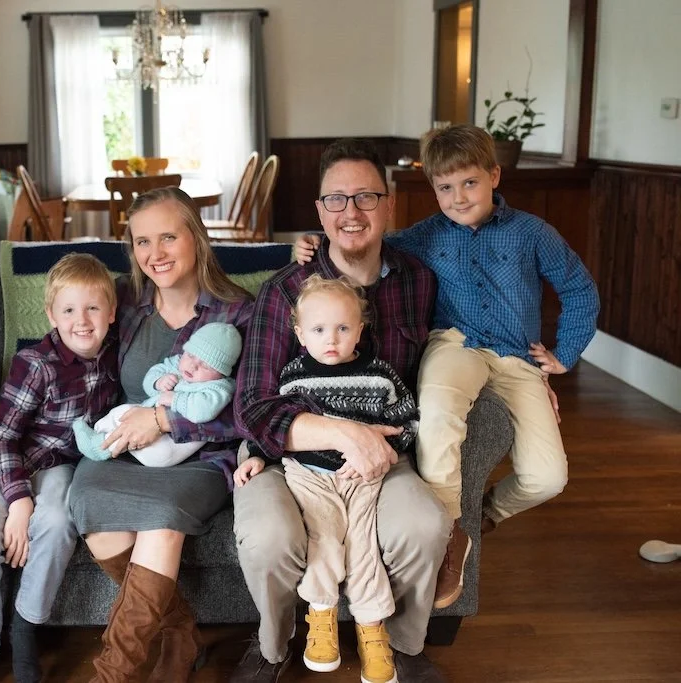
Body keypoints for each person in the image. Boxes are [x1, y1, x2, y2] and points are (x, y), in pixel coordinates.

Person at [295, 124, 599, 610]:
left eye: (470, 183)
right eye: (444, 187)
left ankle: (483, 515)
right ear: (432, 189)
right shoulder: (421, 238)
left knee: (549, 478)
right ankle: (451, 532)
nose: (458, 198)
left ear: (494, 175)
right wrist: (309, 244)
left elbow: (579, 289)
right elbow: (359, 240)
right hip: (456, 344)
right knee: (437, 414)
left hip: (518, 358)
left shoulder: (532, 233)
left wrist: (564, 354)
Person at [233, 138, 449, 683]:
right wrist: (341, 432)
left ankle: (403, 644)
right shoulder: (284, 291)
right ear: (319, 212)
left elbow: (460, 349)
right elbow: (252, 406)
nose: (350, 212)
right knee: (270, 536)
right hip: (289, 457)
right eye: (336, 199)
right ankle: (274, 647)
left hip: (383, 452)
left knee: (424, 524)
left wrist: (529, 371)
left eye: (365, 197)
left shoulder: (418, 280)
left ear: (390, 204)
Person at [67, 187, 253, 682]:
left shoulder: (238, 312)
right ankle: (180, 632)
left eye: (168, 236)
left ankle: (112, 673)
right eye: (142, 242)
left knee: (162, 520)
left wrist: (168, 420)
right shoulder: (124, 303)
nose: (155, 254)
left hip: (200, 456)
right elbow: (61, 346)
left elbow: (252, 408)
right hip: (124, 444)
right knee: (92, 511)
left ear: (196, 236)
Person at [235, 274, 417, 682]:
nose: (331, 339)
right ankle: (321, 614)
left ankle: (372, 628)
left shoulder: (380, 376)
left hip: (363, 475)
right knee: (325, 536)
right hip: (309, 473)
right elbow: (277, 426)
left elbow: (407, 421)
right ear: (300, 334)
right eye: (318, 329)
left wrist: (392, 446)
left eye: (343, 328)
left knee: (363, 544)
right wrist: (260, 458)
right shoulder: (294, 377)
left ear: (360, 330)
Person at [0, 253, 120, 683]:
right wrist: (19, 501)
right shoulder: (36, 363)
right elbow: (3, 435)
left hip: (58, 464)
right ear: (50, 315)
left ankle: (25, 626)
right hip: (3, 462)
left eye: (93, 308)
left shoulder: (115, 358)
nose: (81, 321)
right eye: (68, 310)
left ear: (112, 311)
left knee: (61, 520)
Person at [73, 321, 242, 467]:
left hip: (169, 448)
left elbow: (203, 411)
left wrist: (175, 399)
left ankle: (99, 448)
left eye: (206, 366)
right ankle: (100, 433)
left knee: (149, 441)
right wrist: (158, 382)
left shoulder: (219, 388)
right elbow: (151, 376)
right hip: (144, 427)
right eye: (191, 355)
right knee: (123, 411)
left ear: (222, 373)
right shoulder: (178, 364)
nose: (193, 366)